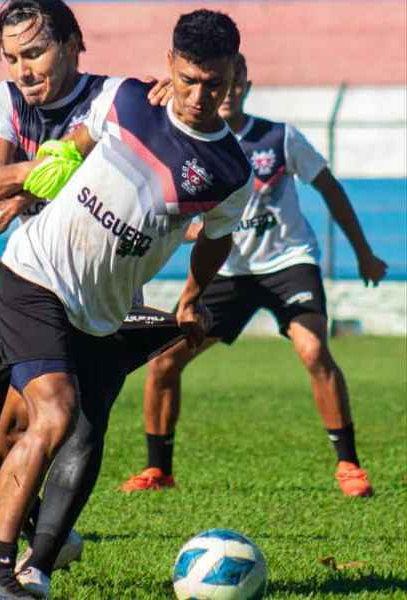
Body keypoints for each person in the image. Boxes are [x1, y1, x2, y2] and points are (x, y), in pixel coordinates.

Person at [0, 9, 253, 598]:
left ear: (234, 75)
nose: (197, 95)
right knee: (56, 415)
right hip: (33, 275)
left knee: (17, 428)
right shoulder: (126, 97)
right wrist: (42, 175)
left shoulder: (230, 170)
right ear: (170, 65)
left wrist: (191, 299)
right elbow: (75, 147)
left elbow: (217, 238)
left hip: (101, 312)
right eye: (187, 79)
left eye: (212, 83)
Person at [120, 53, 388, 497]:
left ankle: (349, 465)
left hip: (288, 264)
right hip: (226, 270)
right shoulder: (191, 140)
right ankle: (157, 470)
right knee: (164, 359)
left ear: (241, 84)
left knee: (313, 349)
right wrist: (187, 231)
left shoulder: (279, 138)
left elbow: (331, 190)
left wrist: (363, 253)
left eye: (233, 84)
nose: (225, 94)